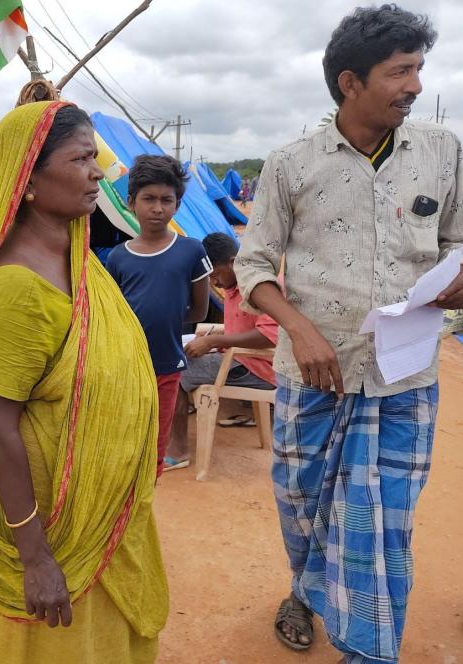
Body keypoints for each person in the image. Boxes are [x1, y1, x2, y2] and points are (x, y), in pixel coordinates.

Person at [235, 6, 463, 663]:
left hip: (404, 379)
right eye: (399, 72)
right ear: (348, 82)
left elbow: (458, 239)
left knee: (380, 526)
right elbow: (253, 264)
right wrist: (299, 329)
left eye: (418, 69)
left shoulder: (443, 153)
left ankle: (365, 648)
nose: (415, 85)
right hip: (313, 380)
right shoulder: (289, 165)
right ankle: (305, 591)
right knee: (301, 508)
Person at [0, 101, 169, 663]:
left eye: (96, 157)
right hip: (57, 524)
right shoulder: (17, 289)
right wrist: (36, 557)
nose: (98, 171)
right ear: (28, 182)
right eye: (81, 159)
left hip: (105, 506)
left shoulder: (79, 260)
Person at [106, 155, 212, 476]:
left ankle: (144, 501)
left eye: (167, 200)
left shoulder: (191, 250)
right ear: (130, 202)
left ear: (177, 204)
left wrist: (163, 321)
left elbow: (199, 309)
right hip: (125, 366)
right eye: (148, 199)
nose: (157, 208)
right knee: (125, 439)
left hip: (167, 365)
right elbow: (114, 314)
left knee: (155, 447)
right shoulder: (118, 257)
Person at [166, 232, 278, 457]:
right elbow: (242, 328)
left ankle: (178, 451)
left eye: (214, 275)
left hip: (257, 368)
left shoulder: (258, 286)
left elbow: (268, 336)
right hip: (241, 360)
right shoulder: (234, 284)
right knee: (179, 357)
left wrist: (214, 340)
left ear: (233, 262)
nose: (213, 282)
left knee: (173, 368)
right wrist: (209, 337)